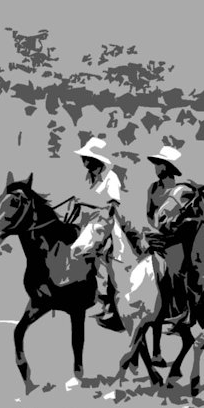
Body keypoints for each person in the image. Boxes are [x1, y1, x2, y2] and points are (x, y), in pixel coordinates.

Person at [73, 137, 143, 331]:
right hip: (86, 223)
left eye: (87, 158)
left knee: (104, 257)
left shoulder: (110, 177)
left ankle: (105, 302)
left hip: (105, 223)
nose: (84, 161)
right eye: (84, 158)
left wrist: (96, 215)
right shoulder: (87, 178)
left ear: (95, 160)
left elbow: (113, 205)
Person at [145, 146, 194, 330]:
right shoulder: (152, 188)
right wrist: (157, 227)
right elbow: (149, 214)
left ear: (168, 166)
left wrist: (174, 229)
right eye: (156, 164)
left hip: (176, 239)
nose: (156, 167)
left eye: (159, 164)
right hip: (159, 235)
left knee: (175, 272)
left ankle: (181, 312)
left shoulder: (181, 189)